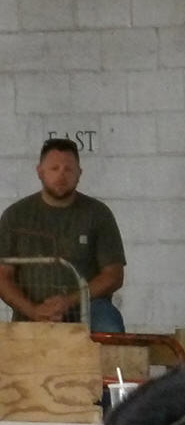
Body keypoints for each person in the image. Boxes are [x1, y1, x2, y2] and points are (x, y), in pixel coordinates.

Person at [0, 137, 126, 332]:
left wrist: (69, 301)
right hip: (31, 311)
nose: (61, 175)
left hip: (88, 309)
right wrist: (34, 311)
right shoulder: (15, 216)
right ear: (40, 172)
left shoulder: (98, 214)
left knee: (109, 326)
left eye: (68, 169)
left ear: (79, 173)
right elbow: (2, 277)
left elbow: (114, 275)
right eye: (54, 168)